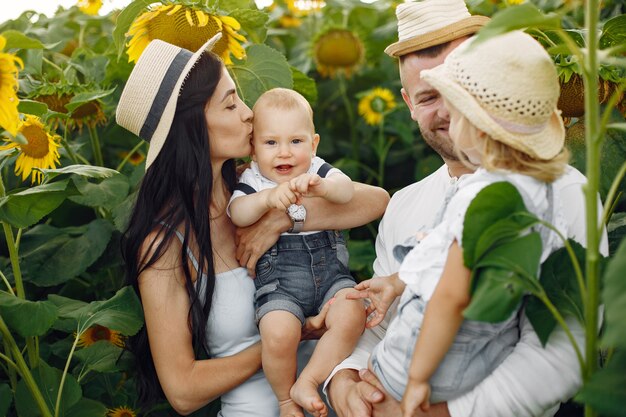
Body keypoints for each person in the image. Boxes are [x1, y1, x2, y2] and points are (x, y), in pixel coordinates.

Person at [324, 1, 608, 416]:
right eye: (429, 96)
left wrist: (438, 414)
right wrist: (345, 382)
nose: (449, 110)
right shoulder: (404, 205)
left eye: (466, 89)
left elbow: (562, 352)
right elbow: (380, 326)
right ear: (407, 102)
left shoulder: (562, 192)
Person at [116, 35, 388, 416]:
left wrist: (282, 220)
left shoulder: (258, 185)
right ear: (192, 127)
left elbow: (375, 200)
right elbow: (183, 390)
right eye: (230, 104)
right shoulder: (166, 242)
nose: (248, 113)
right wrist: (290, 335)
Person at [228, 88, 367, 417]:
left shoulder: (317, 170)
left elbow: (347, 191)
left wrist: (326, 188)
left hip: (332, 278)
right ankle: (286, 400)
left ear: (314, 144)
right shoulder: (254, 180)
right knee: (277, 335)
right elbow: (237, 213)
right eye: (271, 142)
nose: (284, 153)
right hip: (280, 286)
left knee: (352, 314)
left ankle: (309, 380)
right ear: (253, 148)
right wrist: (266, 200)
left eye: (296, 141)